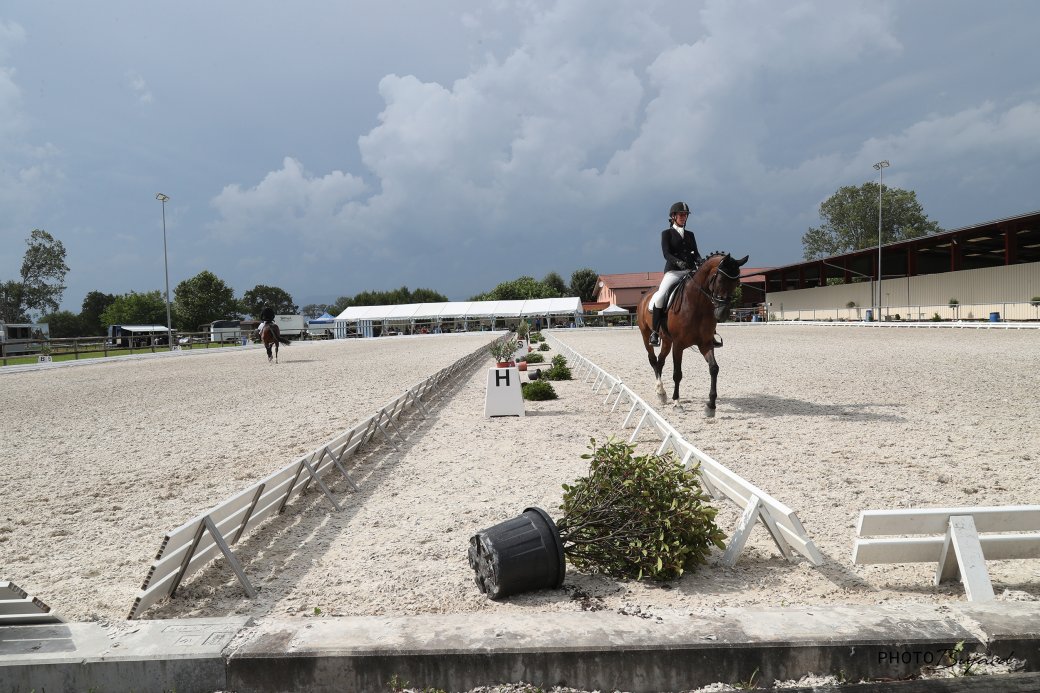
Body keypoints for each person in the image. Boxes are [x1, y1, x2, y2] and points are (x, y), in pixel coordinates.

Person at [647, 201, 716, 348]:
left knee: (707, 294)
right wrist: (678, 263)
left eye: (685, 215)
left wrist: (700, 261)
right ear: (673, 216)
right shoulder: (666, 234)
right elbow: (666, 253)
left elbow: (696, 253)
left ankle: (711, 332)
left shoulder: (690, 235)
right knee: (660, 296)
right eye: (681, 215)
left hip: (690, 271)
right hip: (673, 272)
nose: (684, 217)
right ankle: (654, 332)